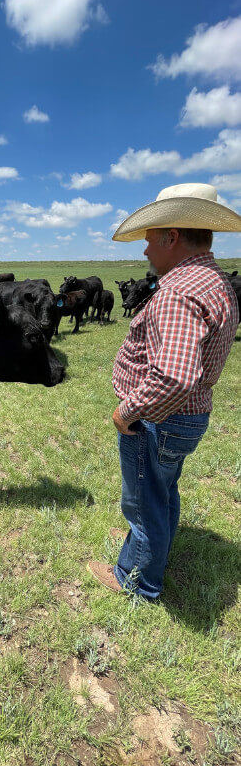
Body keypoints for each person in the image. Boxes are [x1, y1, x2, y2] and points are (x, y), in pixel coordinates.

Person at [87, 183, 240, 600]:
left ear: (172, 237)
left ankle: (137, 582)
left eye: (150, 239)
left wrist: (128, 412)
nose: (144, 251)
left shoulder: (177, 291)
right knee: (163, 489)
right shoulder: (215, 282)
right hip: (190, 416)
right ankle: (155, 557)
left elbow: (173, 376)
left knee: (142, 503)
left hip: (160, 419)